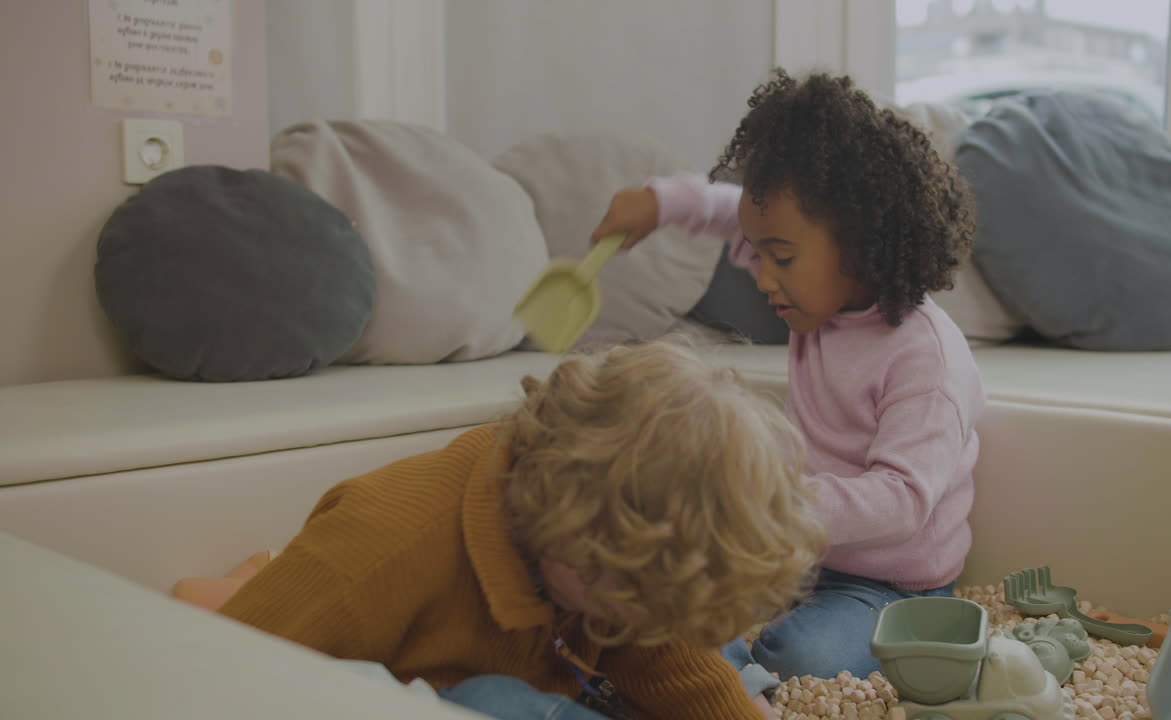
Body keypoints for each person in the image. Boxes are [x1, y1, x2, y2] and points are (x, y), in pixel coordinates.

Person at [589, 69, 985, 683]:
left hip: (893, 588)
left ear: (861, 244)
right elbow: (732, 212)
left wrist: (773, 499)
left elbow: (903, 501)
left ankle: (741, 684)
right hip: (800, 555)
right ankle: (702, 668)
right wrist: (663, 202)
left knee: (802, 657)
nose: (763, 276)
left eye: (781, 258)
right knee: (670, 591)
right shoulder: (817, 294)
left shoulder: (924, 357)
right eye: (760, 253)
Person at [207, 338, 825, 720]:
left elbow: (662, 654)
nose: (648, 626)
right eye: (638, 607)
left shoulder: (600, 550)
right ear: (581, 545)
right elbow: (211, 672)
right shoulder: (381, 546)